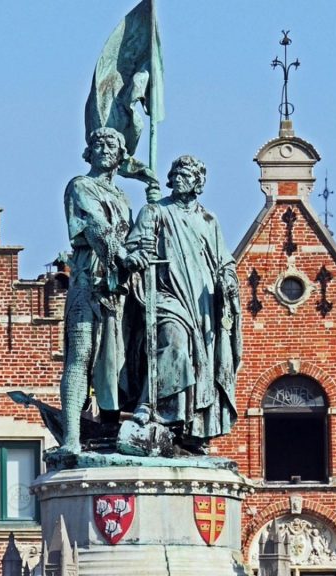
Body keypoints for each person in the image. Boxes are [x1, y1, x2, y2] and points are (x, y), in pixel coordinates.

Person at [125, 155, 242, 452]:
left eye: (186, 173)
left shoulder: (208, 220)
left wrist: (228, 279)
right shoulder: (154, 212)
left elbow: (224, 260)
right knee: (173, 343)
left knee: (202, 363)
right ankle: (152, 406)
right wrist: (141, 252)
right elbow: (134, 250)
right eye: (175, 172)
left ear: (198, 182)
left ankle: (191, 427)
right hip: (166, 293)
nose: (178, 177)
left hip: (201, 303)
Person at [59, 127, 136, 454]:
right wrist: (123, 255)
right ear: (88, 152)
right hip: (88, 282)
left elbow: (130, 236)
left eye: (112, 143)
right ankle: (72, 438)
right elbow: (95, 227)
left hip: (118, 290)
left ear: (121, 155)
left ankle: (111, 424)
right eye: (97, 143)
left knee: (115, 361)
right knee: (80, 357)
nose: (104, 148)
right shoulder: (80, 186)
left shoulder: (123, 198)